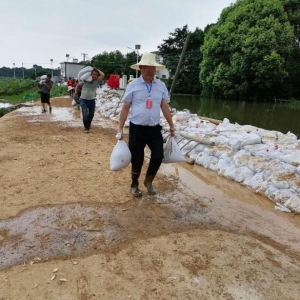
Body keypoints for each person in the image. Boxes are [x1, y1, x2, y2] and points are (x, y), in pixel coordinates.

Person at [118, 52, 175, 197]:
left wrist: (172, 125)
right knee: (137, 159)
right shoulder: (133, 85)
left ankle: (149, 181)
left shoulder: (161, 86)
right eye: (147, 67)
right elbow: (125, 107)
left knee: (158, 155)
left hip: (154, 128)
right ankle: (134, 183)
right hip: (137, 128)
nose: (151, 70)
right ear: (141, 68)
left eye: (153, 67)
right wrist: (120, 128)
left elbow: (164, 107)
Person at [75, 68, 105, 133]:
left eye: (96, 74)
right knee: (85, 113)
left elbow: (103, 75)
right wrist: (75, 93)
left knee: (91, 114)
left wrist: (95, 68)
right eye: (93, 74)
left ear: (97, 76)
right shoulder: (85, 79)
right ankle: (86, 128)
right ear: (91, 74)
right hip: (83, 100)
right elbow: (78, 85)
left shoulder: (97, 80)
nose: (94, 75)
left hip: (92, 100)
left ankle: (88, 124)